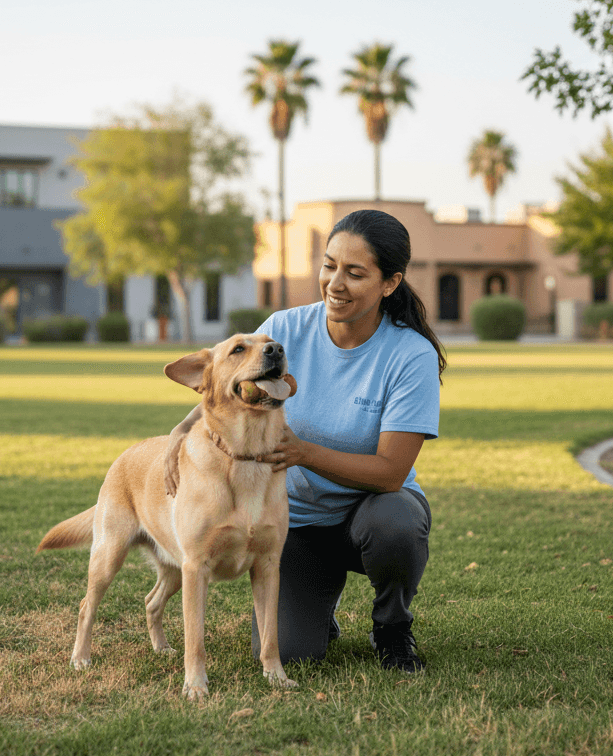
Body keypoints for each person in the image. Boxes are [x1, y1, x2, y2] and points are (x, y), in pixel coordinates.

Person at [166, 208, 446, 672]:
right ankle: (318, 612)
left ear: (390, 283)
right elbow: (228, 381)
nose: (336, 283)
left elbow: (391, 472)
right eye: (329, 265)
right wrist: (177, 436)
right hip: (293, 523)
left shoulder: (409, 355)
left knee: (397, 522)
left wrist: (304, 453)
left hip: (372, 512)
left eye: (355, 273)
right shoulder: (286, 329)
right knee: (293, 652)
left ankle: (392, 627)